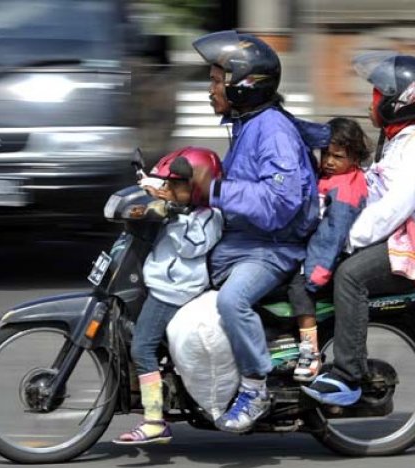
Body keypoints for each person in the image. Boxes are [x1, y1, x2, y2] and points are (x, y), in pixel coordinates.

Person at [302, 52, 415, 406]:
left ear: (401, 100)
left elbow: (392, 208)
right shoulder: (397, 141)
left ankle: (348, 375)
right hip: (402, 238)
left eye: (377, 95)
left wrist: (345, 242)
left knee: (350, 275)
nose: (371, 102)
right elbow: (369, 194)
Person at [190, 30, 319, 433]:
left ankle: (254, 386)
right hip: (246, 241)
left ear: (243, 86)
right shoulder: (247, 124)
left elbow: (279, 203)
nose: (210, 89)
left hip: (274, 247)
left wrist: (213, 190)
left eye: (216, 81)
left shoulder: (273, 130)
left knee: (232, 301)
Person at [114, 147, 224, 445]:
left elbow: (192, 247)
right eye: (168, 184)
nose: (169, 190)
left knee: (142, 349)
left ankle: (153, 420)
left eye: (177, 185)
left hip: (173, 291)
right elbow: (158, 185)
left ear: (199, 186)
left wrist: (173, 212)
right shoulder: (183, 205)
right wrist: (148, 184)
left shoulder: (208, 217)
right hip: (160, 283)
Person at [287, 117, 370, 382]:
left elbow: (333, 233)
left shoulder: (346, 187)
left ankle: (310, 352)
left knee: (297, 288)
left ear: (355, 158)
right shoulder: (329, 177)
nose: (329, 161)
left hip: (329, 258)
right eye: (326, 154)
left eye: (338, 156)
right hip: (316, 249)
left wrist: (318, 269)